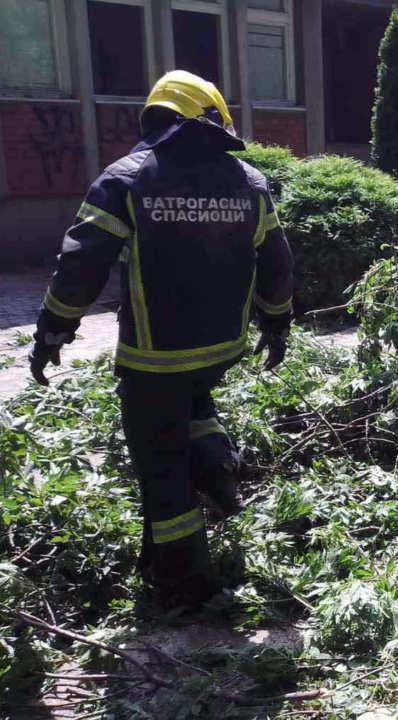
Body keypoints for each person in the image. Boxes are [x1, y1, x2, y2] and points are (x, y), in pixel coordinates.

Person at [28, 70, 294, 610]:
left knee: (161, 463)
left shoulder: (126, 179)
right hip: (221, 348)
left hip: (154, 357)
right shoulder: (249, 182)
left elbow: (81, 266)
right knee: (193, 402)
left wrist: (53, 330)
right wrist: (276, 322)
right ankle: (220, 474)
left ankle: (183, 583)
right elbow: (277, 262)